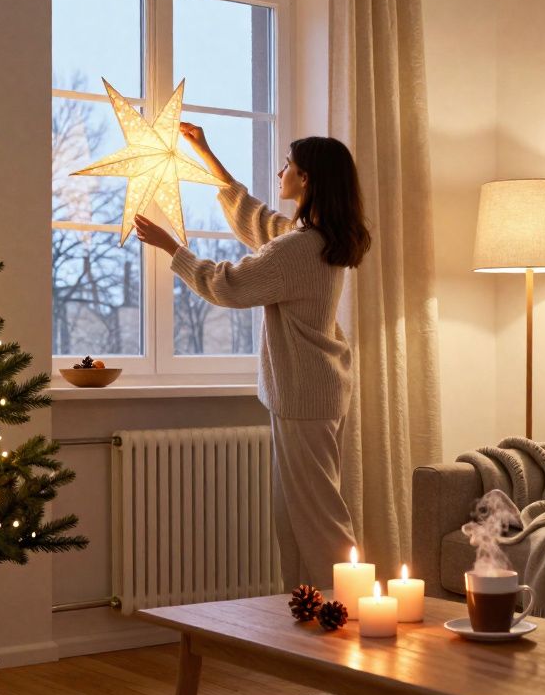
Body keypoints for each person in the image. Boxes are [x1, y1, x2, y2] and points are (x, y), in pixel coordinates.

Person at [133, 123, 372, 588]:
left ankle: (352, 616)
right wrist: (206, 153)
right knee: (296, 517)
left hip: (305, 397)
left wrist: (172, 249)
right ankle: (308, 616)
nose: (281, 170)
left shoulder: (299, 248)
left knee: (319, 518)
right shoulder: (314, 240)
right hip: (313, 394)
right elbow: (255, 219)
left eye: (288, 165)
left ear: (306, 180)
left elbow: (227, 285)